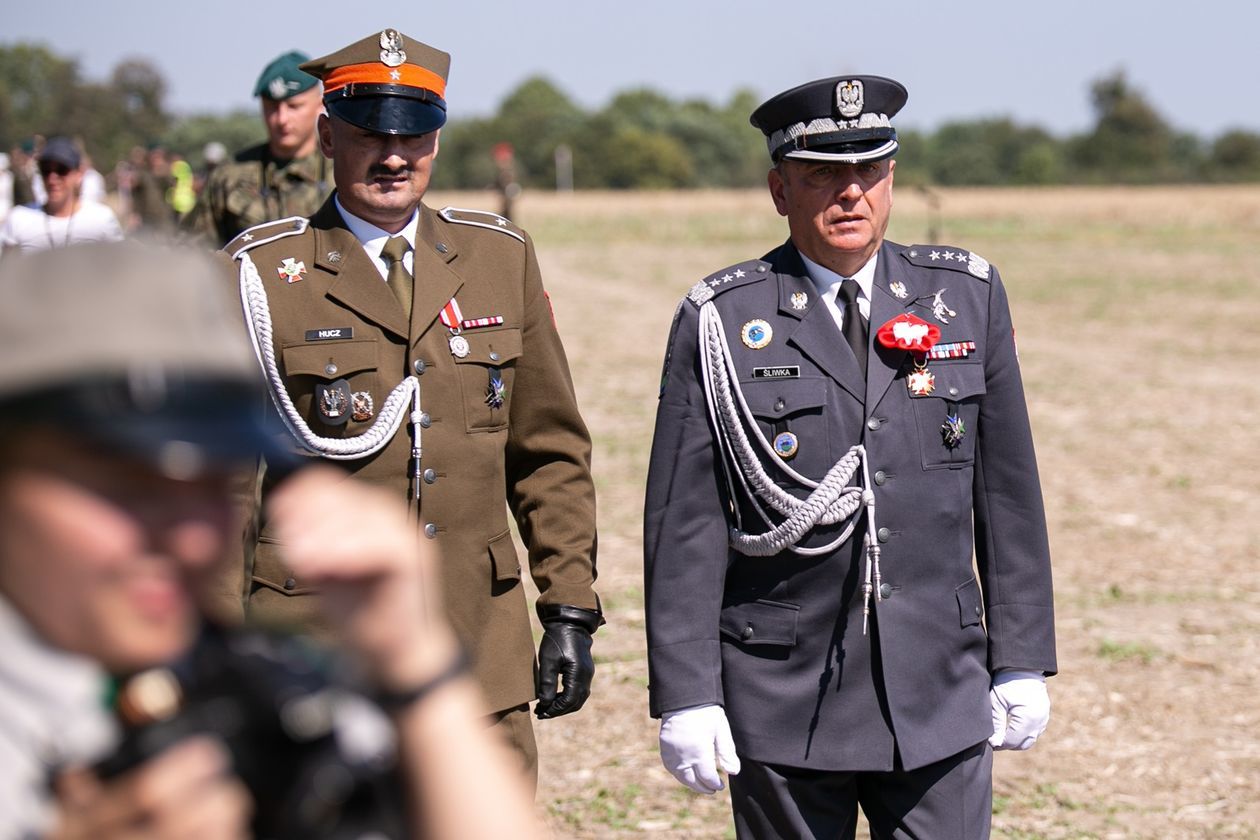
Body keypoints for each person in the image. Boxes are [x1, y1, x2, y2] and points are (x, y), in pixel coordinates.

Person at [0, 241, 544, 840]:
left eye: (211, 482)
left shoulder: (247, 692)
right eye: (125, 487)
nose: (189, 538)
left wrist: (417, 673)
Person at [643, 75, 1056, 838]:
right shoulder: (723, 319)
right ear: (779, 190)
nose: (850, 193)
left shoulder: (965, 296)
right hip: (784, 693)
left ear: (891, 178)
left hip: (938, 684)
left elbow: (1007, 495)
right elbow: (685, 521)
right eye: (822, 175)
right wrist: (687, 691)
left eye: (868, 170)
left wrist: (1021, 657)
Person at [222, 28, 602, 783]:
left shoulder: (498, 258)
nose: (394, 156)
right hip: (315, 652)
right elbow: (224, 485)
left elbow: (548, 451)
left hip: (477, 642)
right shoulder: (260, 274)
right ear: (328, 138)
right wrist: (216, 648)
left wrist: (568, 607)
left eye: (414, 136)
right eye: (370, 134)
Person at [181, 51, 330, 248]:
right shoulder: (229, 176)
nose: (282, 119)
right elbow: (192, 252)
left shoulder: (343, 172)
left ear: (320, 105)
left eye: (294, 106)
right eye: (272, 107)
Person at [0, 137, 123, 258]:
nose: (52, 179)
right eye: (46, 170)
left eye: (61, 170)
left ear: (79, 173)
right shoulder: (19, 217)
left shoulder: (101, 218)